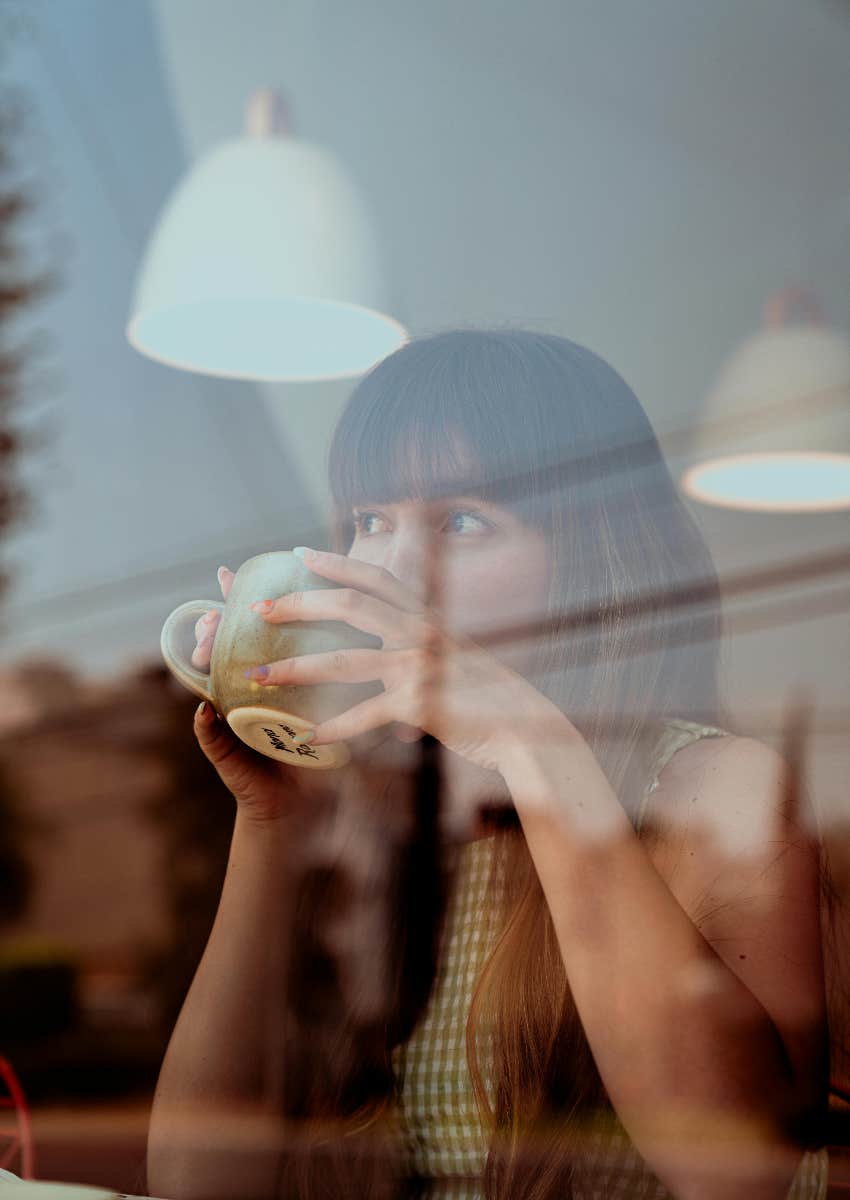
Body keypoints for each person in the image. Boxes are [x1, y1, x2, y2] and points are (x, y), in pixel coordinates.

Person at [147, 329, 829, 1200]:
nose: (392, 570)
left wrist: (523, 738)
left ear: (589, 555)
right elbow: (190, 1178)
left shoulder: (720, 792)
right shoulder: (375, 811)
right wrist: (274, 821)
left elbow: (739, 1173)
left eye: (462, 522)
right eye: (368, 522)